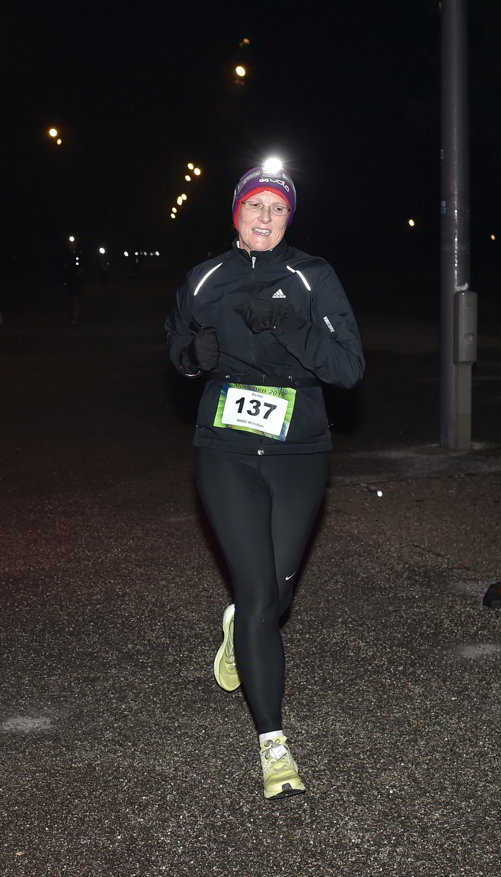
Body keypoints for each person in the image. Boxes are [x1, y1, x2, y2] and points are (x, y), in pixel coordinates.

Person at [164, 161, 364, 800]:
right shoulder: (205, 279)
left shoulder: (315, 276)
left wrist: (285, 321)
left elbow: (349, 369)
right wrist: (190, 358)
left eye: (277, 209)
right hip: (225, 445)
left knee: (274, 597)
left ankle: (238, 631)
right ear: (236, 214)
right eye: (255, 206)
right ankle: (273, 743)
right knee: (257, 597)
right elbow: (176, 344)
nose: (265, 218)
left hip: (297, 449)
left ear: (288, 220)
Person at [62, 235, 85, 324]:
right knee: (69, 300)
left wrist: (82, 269)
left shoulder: (80, 253)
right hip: (68, 279)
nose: (73, 245)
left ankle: (74, 318)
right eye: (71, 244)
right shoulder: (65, 254)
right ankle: (71, 316)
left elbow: (84, 263)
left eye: (74, 244)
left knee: (76, 298)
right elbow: (61, 266)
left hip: (77, 280)